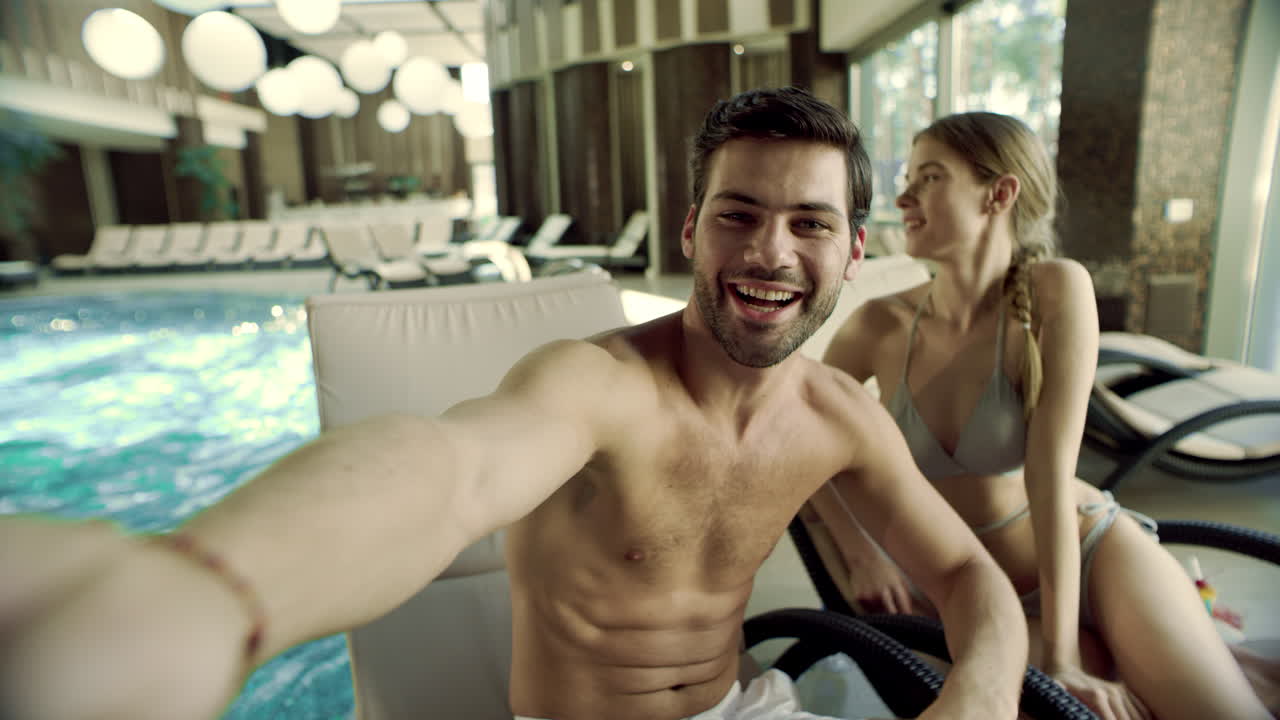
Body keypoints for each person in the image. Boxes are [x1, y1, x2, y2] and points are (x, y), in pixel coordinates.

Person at [0, 88, 1027, 720]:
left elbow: (968, 578)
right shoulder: (592, 386)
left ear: (855, 250)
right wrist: (217, 588)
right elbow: (448, 476)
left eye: (808, 223)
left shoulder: (838, 417)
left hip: (741, 706)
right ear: (689, 232)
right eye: (738, 215)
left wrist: (976, 694)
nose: (767, 252)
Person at [810, 110, 1273, 720]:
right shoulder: (878, 325)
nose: (904, 197)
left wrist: (1062, 657)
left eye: (930, 178)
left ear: (999, 194)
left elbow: (1050, 476)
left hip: (1091, 553)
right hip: (967, 589)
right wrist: (861, 551)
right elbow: (806, 442)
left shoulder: (1056, 290)